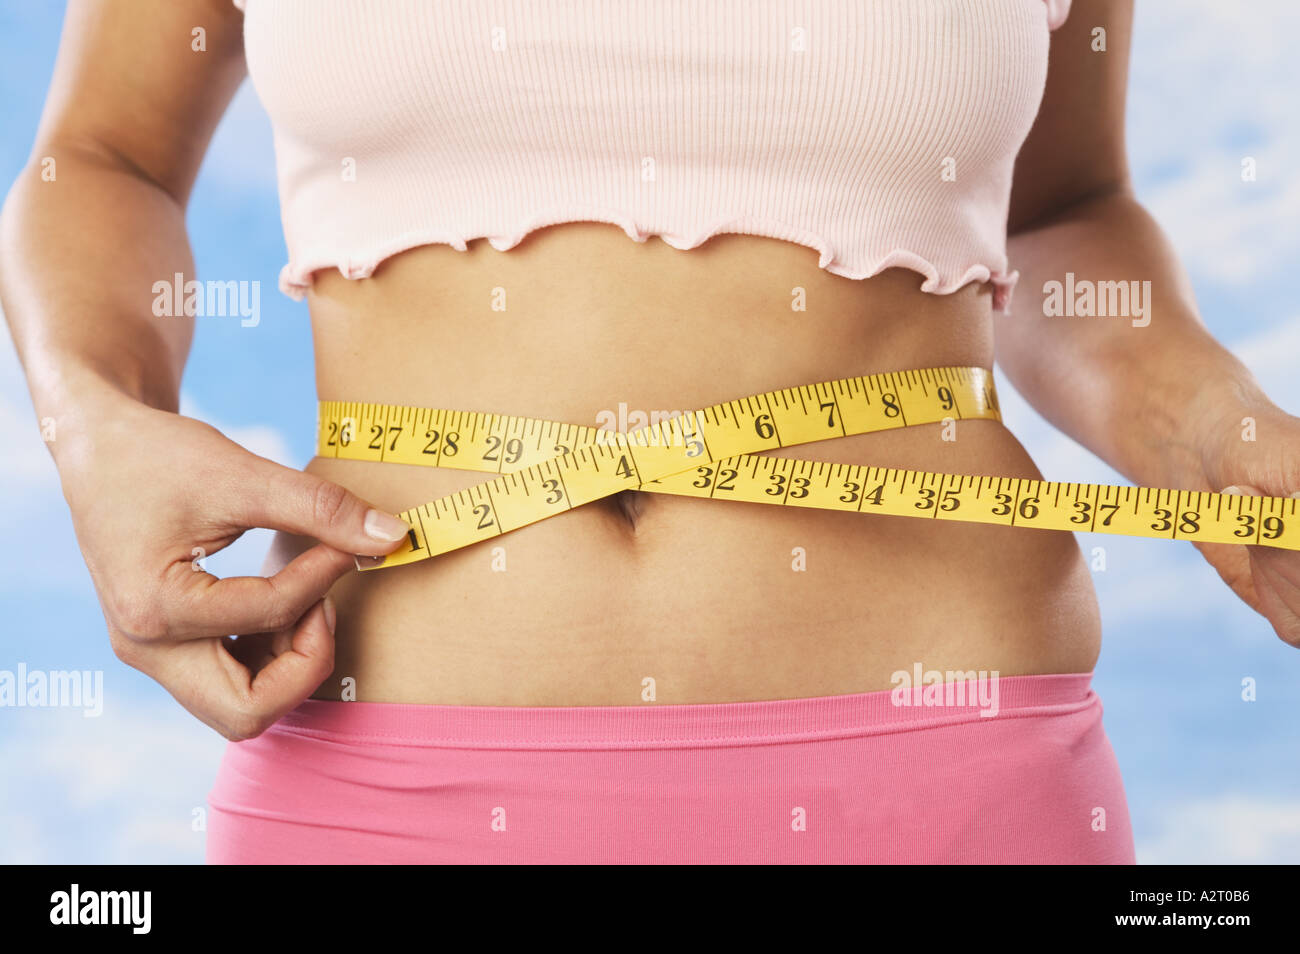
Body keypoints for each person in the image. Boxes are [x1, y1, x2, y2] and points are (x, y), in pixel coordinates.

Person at [4, 0, 1297, 864]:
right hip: (376, 769)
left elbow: (1061, 210)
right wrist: (96, 424)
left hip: (940, 769)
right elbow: (104, 156)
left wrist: (1210, 426)